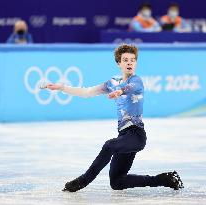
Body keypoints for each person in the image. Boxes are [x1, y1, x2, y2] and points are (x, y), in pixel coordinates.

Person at [45, 44, 184, 192]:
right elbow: (87, 92)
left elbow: (129, 88)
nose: (129, 62)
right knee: (117, 182)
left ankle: (83, 181)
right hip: (124, 136)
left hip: (136, 135)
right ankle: (165, 179)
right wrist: (62, 88)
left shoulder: (137, 81)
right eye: (125, 60)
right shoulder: (112, 83)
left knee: (109, 145)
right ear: (119, 63)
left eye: (132, 59)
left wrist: (120, 91)